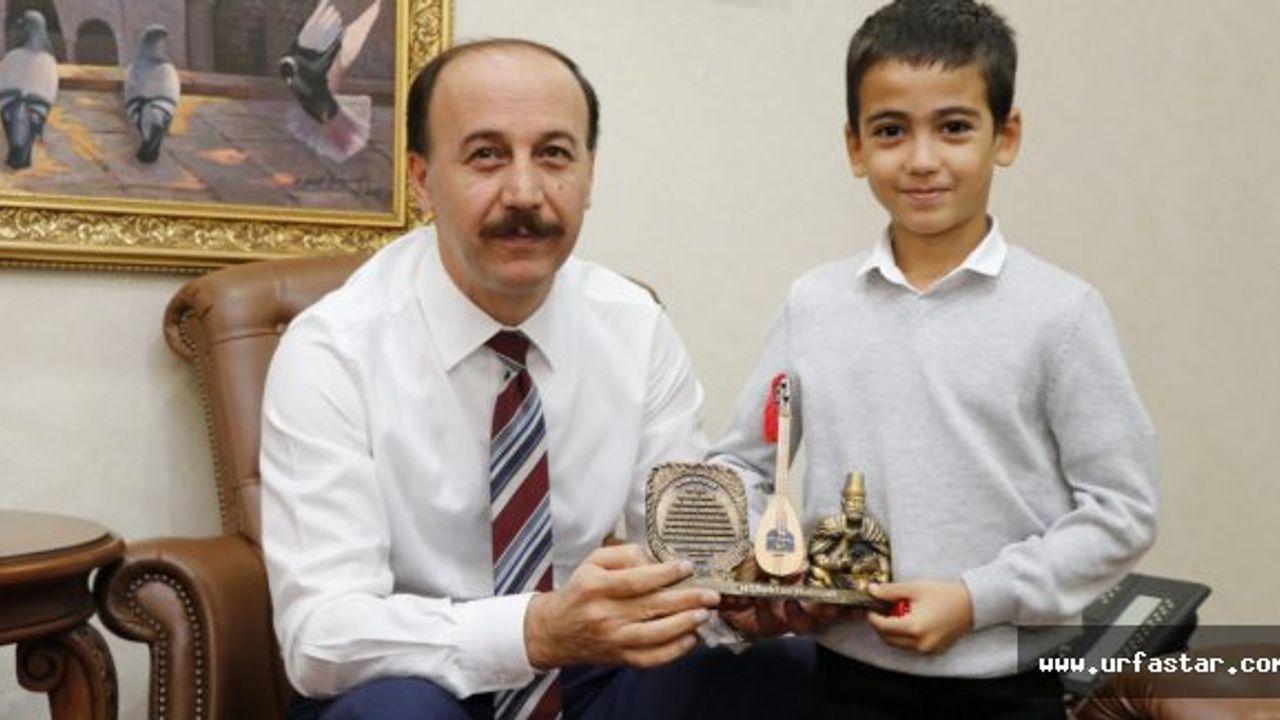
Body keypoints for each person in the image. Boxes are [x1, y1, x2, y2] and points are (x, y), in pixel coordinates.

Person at [260, 38, 813, 720]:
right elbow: (321, 637)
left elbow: (681, 553)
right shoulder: (333, 350)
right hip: (406, 681)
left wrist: (737, 602)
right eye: (486, 155)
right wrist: (533, 631)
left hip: (583, 671)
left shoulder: (634, 327)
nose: (524, 193)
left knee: (777, 668)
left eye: (553, 155)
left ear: (589, 175)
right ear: (422, 179)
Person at [709, 1, 1158, 718]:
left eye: (953, 127)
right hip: (843, 680)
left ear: (1005, 136)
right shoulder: (814, 303)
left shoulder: (1062, 312)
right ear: (855, 146)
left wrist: (977, 600)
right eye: (891, 130)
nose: (922, 159)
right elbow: (741, 465)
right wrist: (770, 562)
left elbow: (1122, 510)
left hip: (1009, 690)